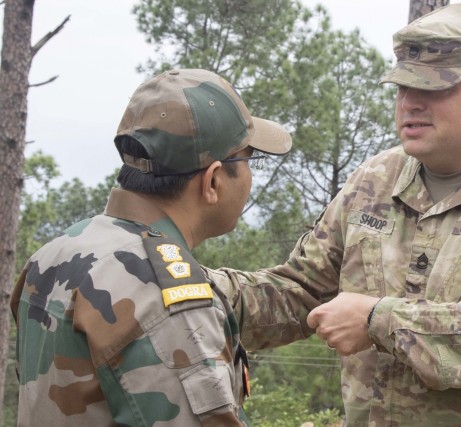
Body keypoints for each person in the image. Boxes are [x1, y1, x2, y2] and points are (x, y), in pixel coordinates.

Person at [206, 3, 461, 426]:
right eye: (403, 87)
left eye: (434, 89)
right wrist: (195, 288)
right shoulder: (375, 179)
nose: (411, 103)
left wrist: (380, 320)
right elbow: (300, 294)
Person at [10, 68, 292, 426]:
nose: (251, 174)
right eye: (249, 158)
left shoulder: (55, 253)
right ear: (213, 181)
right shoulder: (169, 306)